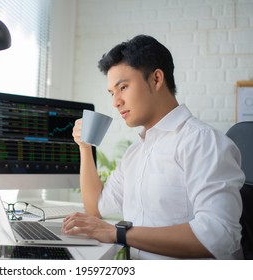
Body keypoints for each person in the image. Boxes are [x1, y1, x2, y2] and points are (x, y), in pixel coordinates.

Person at [62, 34, 245, 259]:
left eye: (123, 87)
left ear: (156, 79)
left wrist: (119, 234)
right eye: (112, 93)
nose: (115, 101)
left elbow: (219, 235)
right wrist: (84, 147)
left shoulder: (203, 142)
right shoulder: (135, 154)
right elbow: (96, 209)